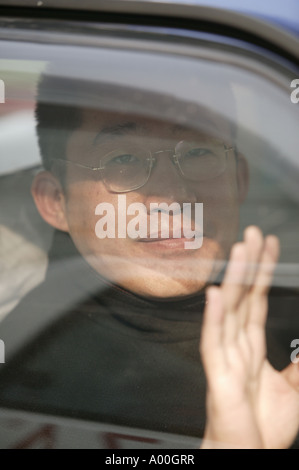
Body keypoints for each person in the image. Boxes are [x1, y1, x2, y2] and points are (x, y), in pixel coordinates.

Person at [0, 74, 298, 449]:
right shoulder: (31, 373)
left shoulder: (287, 313)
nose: (173, 196)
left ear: (239, 178)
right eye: (122, 160)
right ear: (56, 201)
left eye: (197, 151)